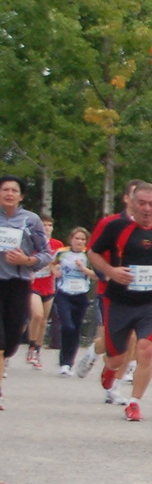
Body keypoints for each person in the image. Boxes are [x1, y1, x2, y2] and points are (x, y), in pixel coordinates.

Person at [85, 182, 152, 424]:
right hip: (119, 301)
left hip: (151, 304)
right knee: (116, 357)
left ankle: (135, 403)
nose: (146, 209)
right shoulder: (116, 226)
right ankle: (110, 368)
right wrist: (110, 271)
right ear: (131, 202)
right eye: (141, 203)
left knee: (146, 350)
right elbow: (92, 252)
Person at [0, 175, 53, 408]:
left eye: (14, 190)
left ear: (21, 195)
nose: (9, 194)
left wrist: (26, 259)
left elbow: (46, 255)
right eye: (4, 190)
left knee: (11, 340)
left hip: (19, 283)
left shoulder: (31, 221)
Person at [51, 227, 95, 376]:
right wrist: (54, 270)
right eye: (77, 238)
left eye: (83, 239)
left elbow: (96, 275)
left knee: (75, 329)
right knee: (67, 326)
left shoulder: (89, 255)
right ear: (71, 239)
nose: (80, 242)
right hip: (64, 293)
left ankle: (68, 363)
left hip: (81, 294)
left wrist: (83, 268)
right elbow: (50, 263)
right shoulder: (62, 252)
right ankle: (63, 360)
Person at [25, 214, 62, 369]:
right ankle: (32, 345)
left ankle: (37, 350)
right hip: (33, 285)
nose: (47, 228)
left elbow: (60, 264)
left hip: (49, 286)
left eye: (49, 225)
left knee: (43, 320)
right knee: (37, 314)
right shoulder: (31, 242)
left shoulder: (58, 245)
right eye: (44, 225)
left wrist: (56, 268)